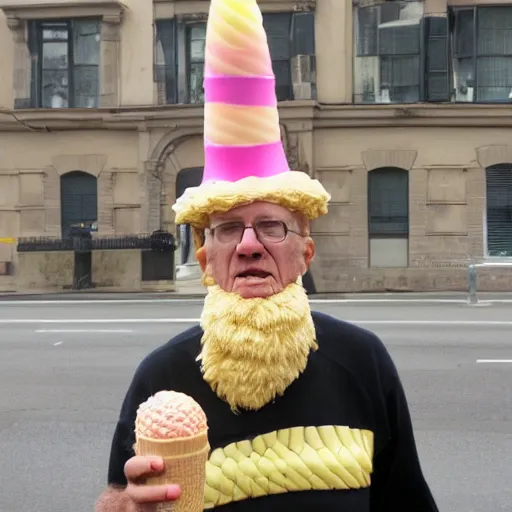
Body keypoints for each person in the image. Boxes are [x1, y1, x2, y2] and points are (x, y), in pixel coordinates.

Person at [95, 0, 439, 510]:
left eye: (271, 226)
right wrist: (127, 506)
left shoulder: (363, 362)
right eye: (228, 228)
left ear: (306, 252)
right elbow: (118, 496)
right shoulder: (161, 377)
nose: (250, 243)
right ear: (206, 257)